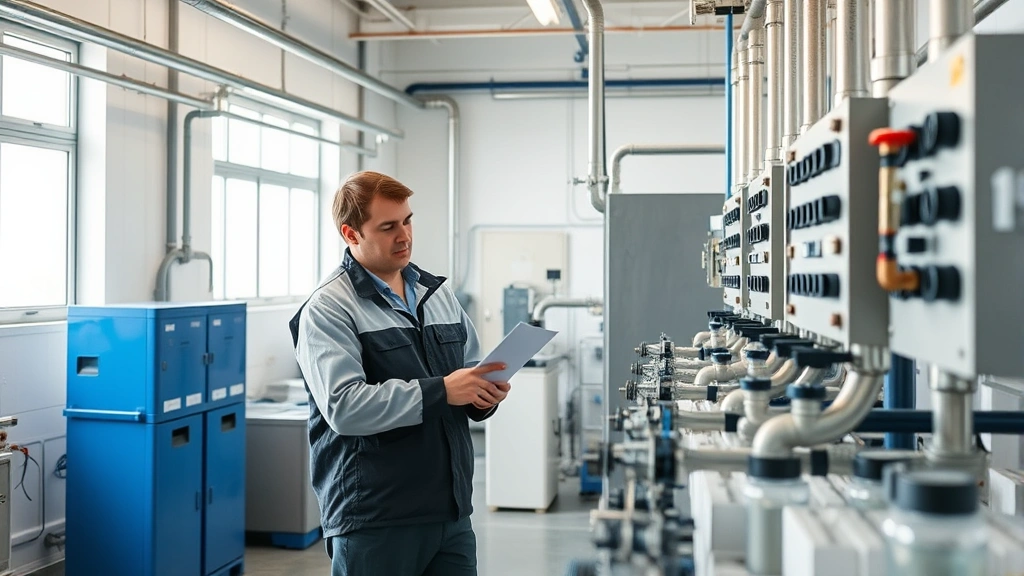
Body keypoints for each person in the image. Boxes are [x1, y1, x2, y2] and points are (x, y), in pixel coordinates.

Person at [289, 170, 510, 576]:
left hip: (451, 511)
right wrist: (443, 391)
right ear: (351, 234)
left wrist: (483, 396)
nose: (404, 235)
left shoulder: (436, 293)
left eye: (407, 221)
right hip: (376, 517)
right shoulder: (329, 308)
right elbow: (345, 407)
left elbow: (468, 372)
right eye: (388, 226)